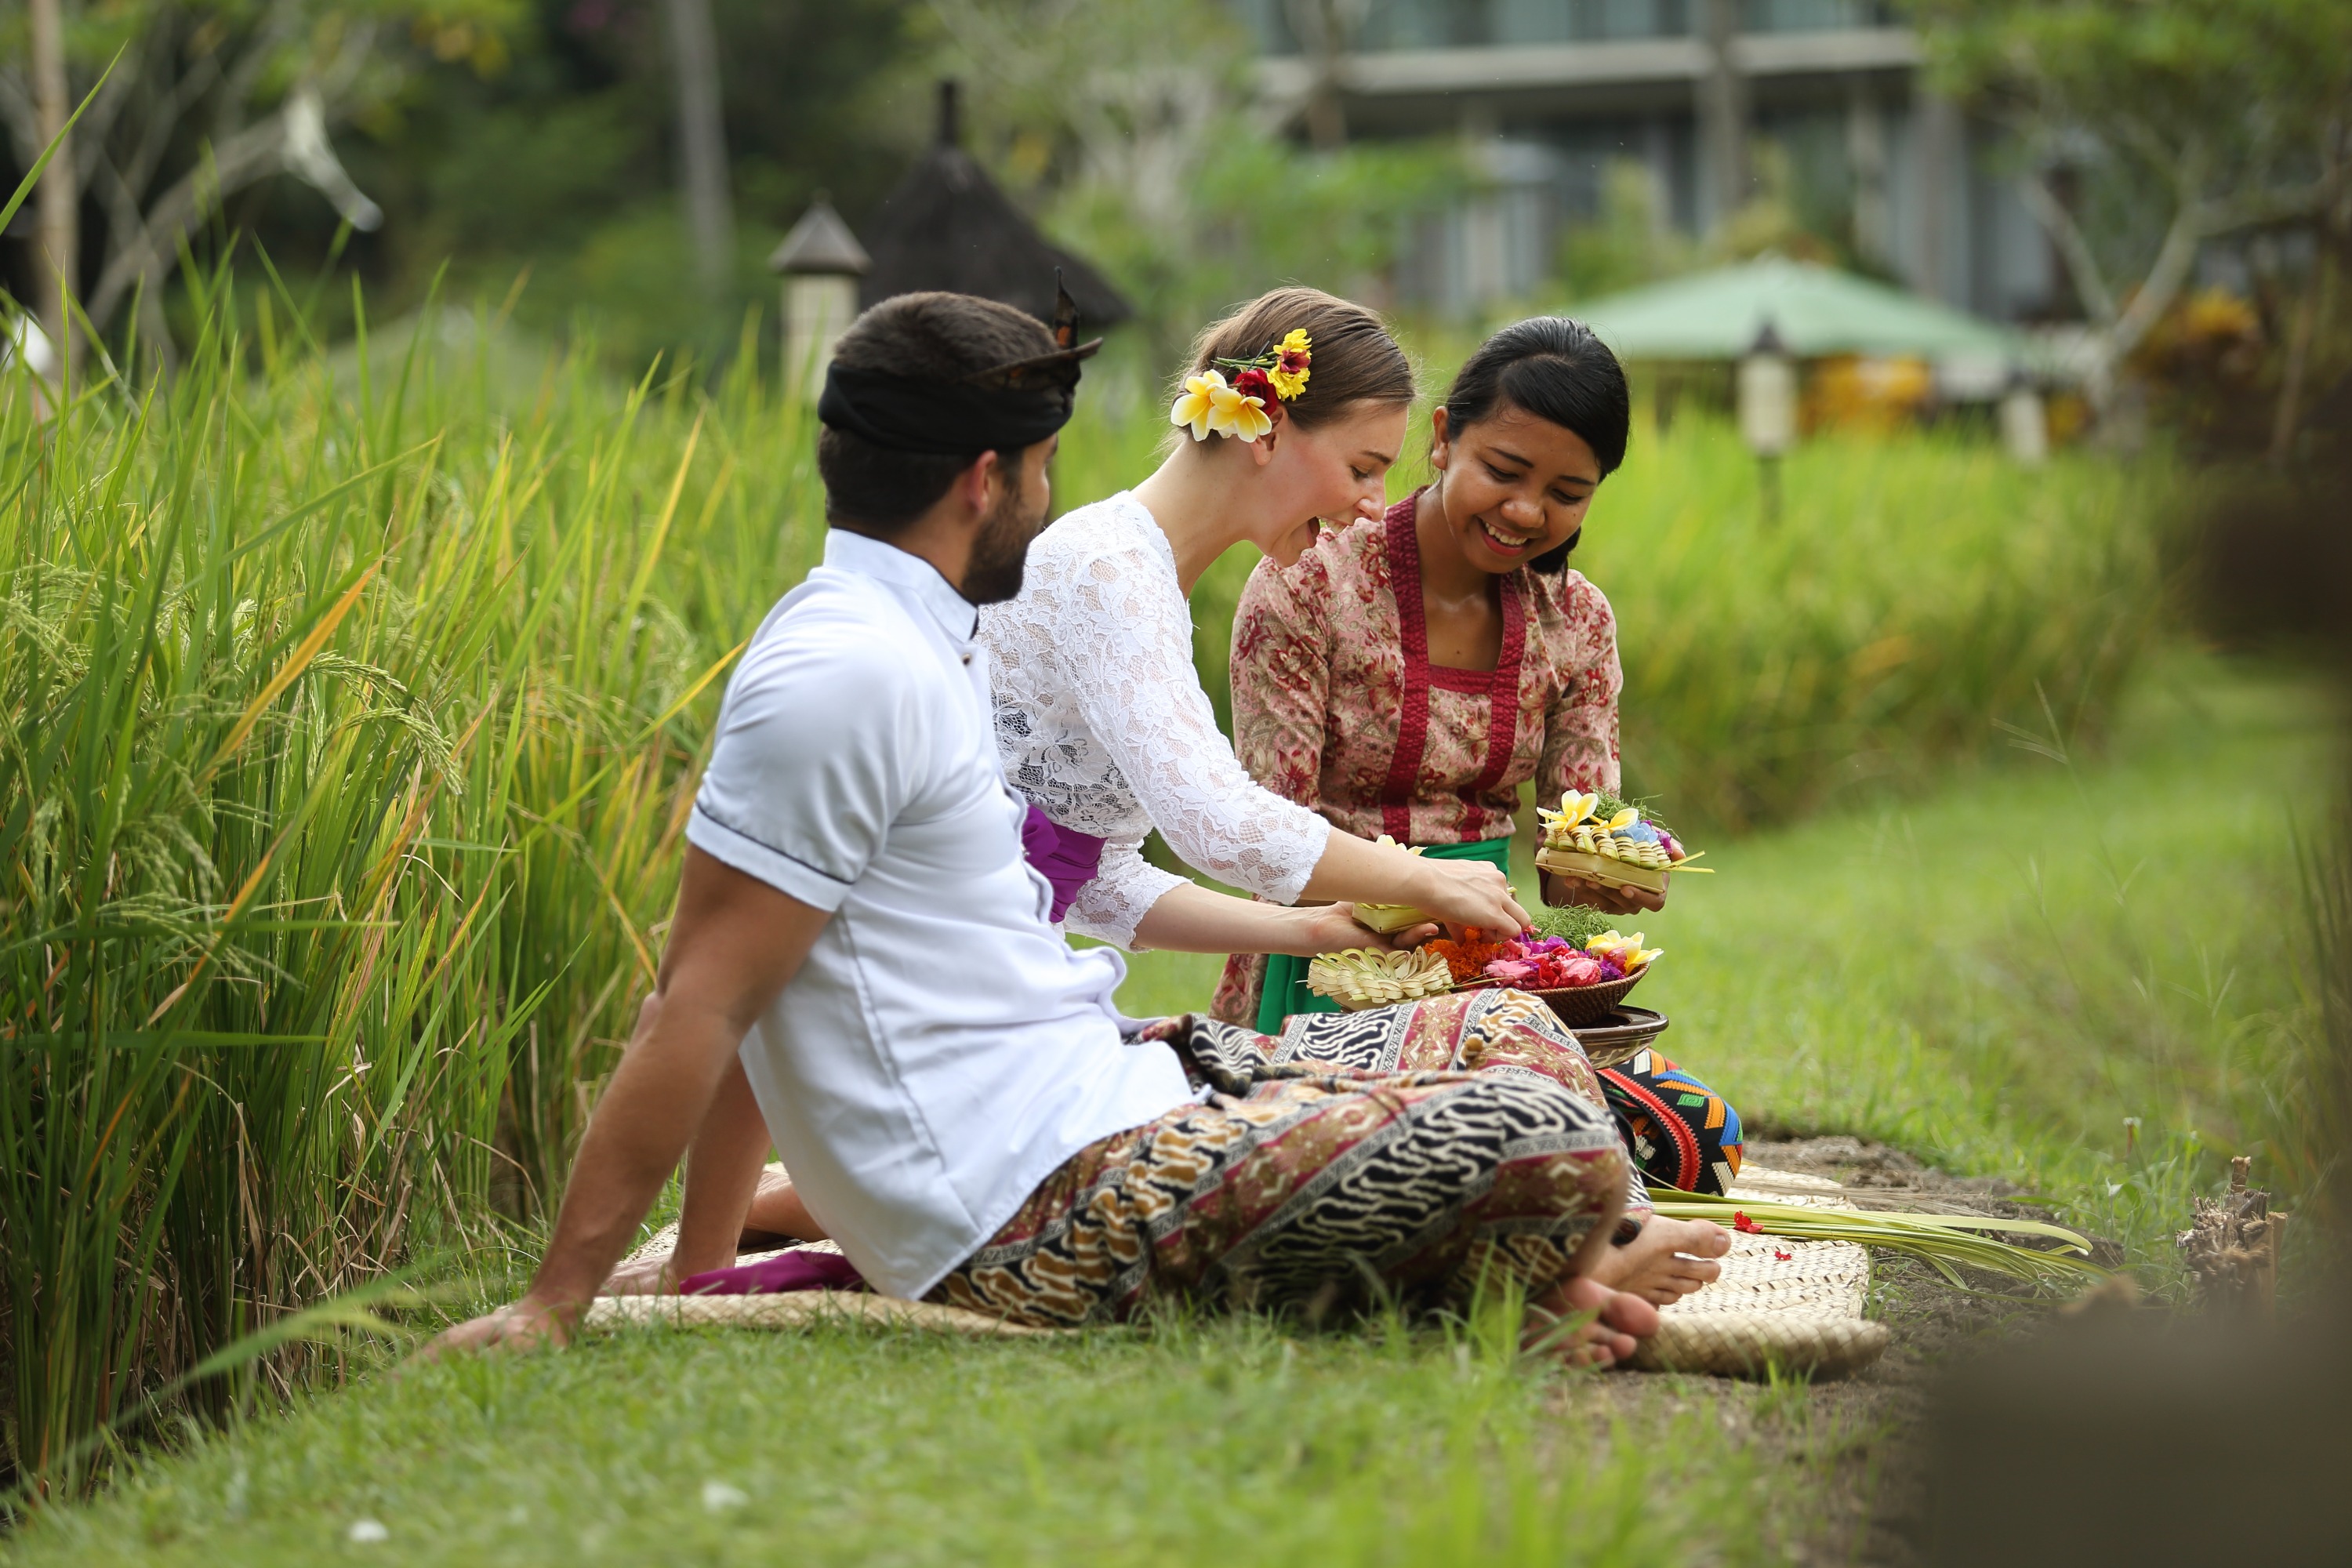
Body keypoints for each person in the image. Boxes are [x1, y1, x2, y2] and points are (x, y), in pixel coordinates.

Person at [419, 291, 1661, 1363]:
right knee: (1545, 1134)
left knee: (1504, 1031)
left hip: (1097, 1099)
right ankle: (1542, 1270)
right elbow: (706, 1001)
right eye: (1046, 464)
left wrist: (696, 1274)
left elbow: (1079, 885)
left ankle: (1537, 1275)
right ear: (985, 478)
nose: (1060, 495)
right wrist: (559, 1300)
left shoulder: (932, 635)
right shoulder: (846, 673)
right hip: (1029, 1199)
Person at [1212, 317, 1746, 1212]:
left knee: (1660, 1147)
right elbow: (1266, 835)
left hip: (1488, 972)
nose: (1529, 511)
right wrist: (1408, 895)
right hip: (1318, 959)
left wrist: (1616, 865)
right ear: (1443, 437)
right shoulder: (1310, 583)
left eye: (1568, 492)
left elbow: (1580, 832)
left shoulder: (1575, 620)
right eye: (1503, 471)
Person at [982, 286, 1530, 964]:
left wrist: (1309, 931)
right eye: (1363, 469)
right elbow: (1215, 822)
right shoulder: (1105, 573)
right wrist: (1429, 876)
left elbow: (1092, 874)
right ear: (1267, 429)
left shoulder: (1140, 573)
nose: (1372, 507)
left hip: (1001, 948)